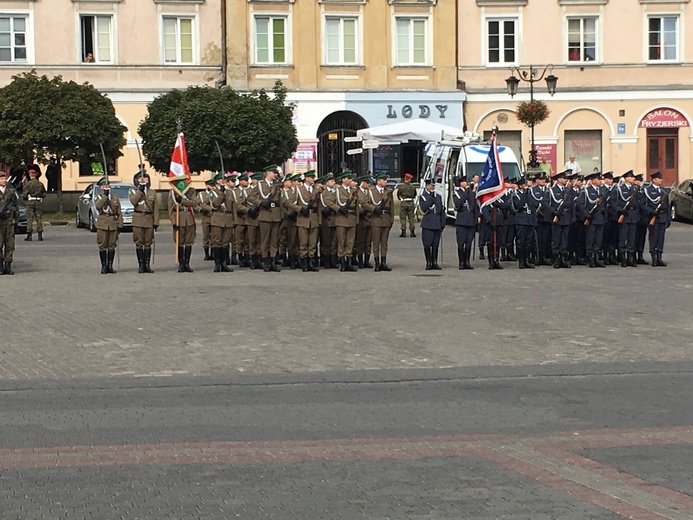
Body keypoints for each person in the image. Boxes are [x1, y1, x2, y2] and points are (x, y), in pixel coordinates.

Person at [287, 170, 321, 271]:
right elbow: (288, 202)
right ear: (306, 178)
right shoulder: (298, 190)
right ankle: (304, 263)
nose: (313, 179)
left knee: (312, 243)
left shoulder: (316, 190)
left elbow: (319, 206)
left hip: (313, 218)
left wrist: (319, 220)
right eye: (311, 177)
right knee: (303, 242)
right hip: (303, 218)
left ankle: (311, 262)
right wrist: (299, 209)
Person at [362, 172, 394, 271]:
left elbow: (392, 207)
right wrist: (374, 209)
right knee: (375, 243)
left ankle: (383, 262)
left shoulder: (388, 192)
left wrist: (391, 220)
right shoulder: (370, 191)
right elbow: (364, 204)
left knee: (384, 243)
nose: (386, 181)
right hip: (375, 219)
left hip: (386, 219)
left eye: (386, 180)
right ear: (378, 181)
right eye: (383, 180)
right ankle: (377, 262)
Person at [129, 171, 159, 273]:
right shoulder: (133, 191)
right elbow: (133, 201)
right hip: (138, 219)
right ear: (137, 180)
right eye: (141, 179)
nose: (144, 180)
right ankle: (141, 265)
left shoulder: (152, 192)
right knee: (139, 243)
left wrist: (156, 221)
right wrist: (140, 191)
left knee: (148, 243)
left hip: (149, 219)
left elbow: (155, 208)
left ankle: (147, 265)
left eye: (146, 178)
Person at [328, 171, 359, 272]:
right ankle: (342, 262)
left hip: (351, 218)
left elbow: (357, 205)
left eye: (350, 178)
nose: (350, 180)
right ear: (343, 180)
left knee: (350, 241)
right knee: (341, 241)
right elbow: (328, 201)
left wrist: (357, 218)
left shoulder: (354, 190)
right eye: (348, 178)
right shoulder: (337, 190)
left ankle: (349, 262)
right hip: (341, 218)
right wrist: (338, 208)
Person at [641, 171, 670, 267]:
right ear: (653, 180)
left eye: (661, 178)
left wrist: (668, 218)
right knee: (654, 237)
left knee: (661, 238)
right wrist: (651, 212)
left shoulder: (664, 191)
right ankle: (653, 257)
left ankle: (659, 257)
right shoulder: (647, 190)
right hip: (653, 217)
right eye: (658, 178)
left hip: (662, 217)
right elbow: (643, 205)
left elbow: (667, 206)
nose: (660, 180)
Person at [256, 166, 283, 272]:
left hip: (275, 215)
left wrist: (280, 215)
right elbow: (251, 197)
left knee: (274, 240)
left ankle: (272, 261)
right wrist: (261, 203)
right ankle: (266, 262)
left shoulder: (276, 185)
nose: (275, 174)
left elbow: (280, 200)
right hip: (265, 214)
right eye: (273, 173)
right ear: (268, 173)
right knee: (265, 240)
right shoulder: (260, 185)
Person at [94, 176, 122, 274]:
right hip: (102, 223)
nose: (107, 187)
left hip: (113, 222)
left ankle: (110, 265)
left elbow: (119, 212)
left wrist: (120, 224)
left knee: (112, 245)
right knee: (103, 245)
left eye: (108, 185)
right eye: (104, 185)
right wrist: (105, 196)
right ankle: (104, 266)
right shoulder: (98, 197)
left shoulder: (114, 198)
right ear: (101, 187)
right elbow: (98, 206)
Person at [209, 172, 235, 273]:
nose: (224, 181)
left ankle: (224, 263)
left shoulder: (229, 192)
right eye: (222, 179)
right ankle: (217, 263)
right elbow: (215, 204)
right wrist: (221, 194)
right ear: (217, 181)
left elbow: (232, 206)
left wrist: (234, 220)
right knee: (217, 241)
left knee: (226, 242)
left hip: (228, 217)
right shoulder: (213, 192)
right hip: (217, 217)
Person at [169, 184, 199, 273]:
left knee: (189, 242)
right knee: (180, 242)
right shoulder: (173, 192)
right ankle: (181, 264)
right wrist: (173, 222)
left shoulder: (191, 191)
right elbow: (170, 209)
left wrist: (182, 201)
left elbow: (194, 203)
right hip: (178, 217)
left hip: (189, 218)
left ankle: (187, 263)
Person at [580, 172, 606, 268]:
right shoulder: (586, 191)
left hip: (600, 218)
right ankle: (590, 258)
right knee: (590, 239)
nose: (600, 181)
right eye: (599, 179)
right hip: (591, 218)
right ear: (593, 180)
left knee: (598, 239)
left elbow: (605, 206)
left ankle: (597, 257)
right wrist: (587, 215)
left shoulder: (602, 191)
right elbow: (580, 204)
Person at [452, 176, 478, 270]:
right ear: (460, 183)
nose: (466, 183)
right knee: (461, 243)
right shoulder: (456, 193)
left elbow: (474, 206)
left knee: (468, 243)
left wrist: (476, 219)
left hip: (470, 220)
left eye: (467, 182)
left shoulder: (471, 193)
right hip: (461, 220)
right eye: (464, 182)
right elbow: (458, 204)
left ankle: (467, 261)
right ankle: (461, 262)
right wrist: (466, 194)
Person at [548, 170, 573, 268]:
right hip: (557, 217)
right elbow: (546, 203)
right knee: (556, 238)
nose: (565, 180)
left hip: (566, 216)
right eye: (563, 178)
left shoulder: (567, 191)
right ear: (558, 180)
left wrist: (572, 217)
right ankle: (556, 258)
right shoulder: (552, 190)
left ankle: (563, 257)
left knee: (564, 239)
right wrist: (554, 211)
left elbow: (571, 205)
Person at [418, 178, 445, 270]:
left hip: (437, 223)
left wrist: (442, 223)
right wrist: (431, 198)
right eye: (430, 185)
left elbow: (441, 210)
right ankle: (428, 262)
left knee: (435, 244)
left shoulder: (438, 196)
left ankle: (434, 262)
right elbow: (424, 208)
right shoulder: (423, 196)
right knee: (427, 244)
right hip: (428, 224)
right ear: (426, 186)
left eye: (433, 185)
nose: (432, 187)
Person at [509, 177, 536, 269]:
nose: (526, 186)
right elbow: (519, 205)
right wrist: (524, 195)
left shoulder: (529, 194)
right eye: (524, 184)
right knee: (521, 241)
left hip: (529, 219)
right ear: (520, 186)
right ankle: (521, 261)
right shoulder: (515, 195)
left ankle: (527, 260)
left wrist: (528, 195)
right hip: (521, 219)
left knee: (529, 242)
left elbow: (533, 204)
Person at [616, 170, 638, 267]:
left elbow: (638, 203)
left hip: (633, 215)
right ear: (626, 178)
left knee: (631, 238)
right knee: (623, 237)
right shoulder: (620, 189)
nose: (633, 178)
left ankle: (630, 257)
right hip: (624, 215)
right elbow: (614, 202)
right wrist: (620, 210)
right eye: (631, 176)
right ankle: (623, 257)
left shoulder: (635, 189)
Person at [0, 170, 19, 275]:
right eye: (2, 179)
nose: (4, 181)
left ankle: (8, 265)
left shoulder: (11, 191)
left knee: (10, 245)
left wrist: (16, 221)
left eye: (5, 179)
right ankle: (0, 267)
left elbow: (15, 207)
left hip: (9, 222)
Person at [318, 173, 338, 269]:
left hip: (335, 219)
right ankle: (325, 260)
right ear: (326, 183)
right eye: (331, 181)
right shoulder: (323, 193)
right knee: (326, 241)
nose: (333, 183)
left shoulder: (336, 192)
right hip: (326, 219)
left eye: (334, 181)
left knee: (334, 241)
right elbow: (322, 205)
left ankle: (333, 260)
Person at [22, 168, 46, 241]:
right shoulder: (40, 184)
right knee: (39, 218)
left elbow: (25, 194)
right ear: (35, 175)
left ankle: (29, 235)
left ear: (30, 175)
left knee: (30, 218)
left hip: (30, 202)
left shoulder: (28, 184)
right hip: (38, 202)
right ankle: (40, 235)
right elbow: (44, 193)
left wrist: (25, 199)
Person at [354, 175, 373, 268]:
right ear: (362, 183)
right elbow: (357, 205)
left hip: (370, 219)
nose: (369, 184)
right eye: (367, 183)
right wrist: (362, 211)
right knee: (360, 241)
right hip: (361, 219)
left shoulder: (370, 192)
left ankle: (367, 260)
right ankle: (360, 260)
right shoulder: (357, 193)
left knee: (368, 241)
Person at [198, 176, 216, 261]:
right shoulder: (201, 194)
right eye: (210, 185)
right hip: (205, 217)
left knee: (213, 236)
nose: (211, 187)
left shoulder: (215, 194)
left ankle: (213, 253)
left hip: (214, 217)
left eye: (212, 185)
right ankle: (206, 253)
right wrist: (201, 210)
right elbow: (197, 204)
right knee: (206, 236)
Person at [633, 173, 649, 265]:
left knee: (642, 238)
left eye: (640, 180)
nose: (640, 182)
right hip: (635, 217)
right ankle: (633, 255)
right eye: (638, 180)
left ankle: (640, 255)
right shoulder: (634, 191)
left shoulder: (643, 191)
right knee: (635, 237)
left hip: (643, 218)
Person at [397, 173, 417, 238]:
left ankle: (403, 232)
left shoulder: (401, 187)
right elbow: (415, 194)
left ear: (405, 179)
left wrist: (401, 199)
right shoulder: (413, 187)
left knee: (403, 218)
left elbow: (398, 194)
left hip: (404, 203)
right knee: (411, 218)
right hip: (411, 203)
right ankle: (412, 232)